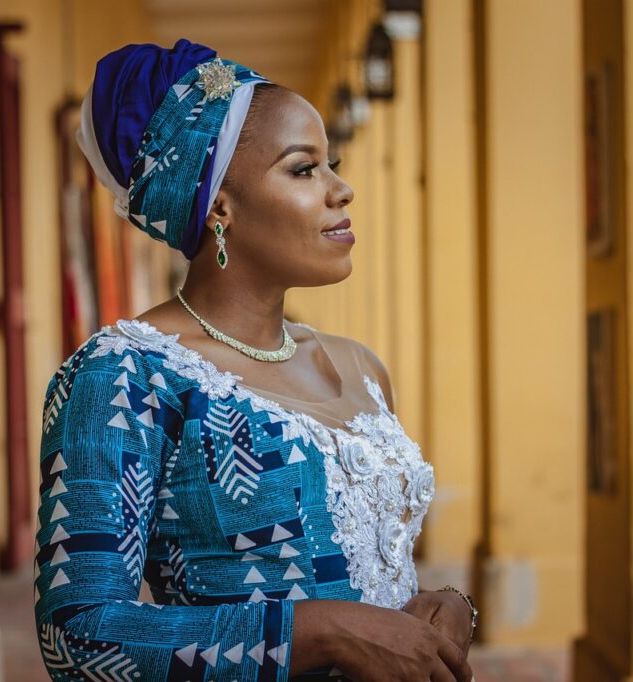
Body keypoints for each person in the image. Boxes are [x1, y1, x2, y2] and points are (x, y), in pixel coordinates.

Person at [34, 39, 478, 682]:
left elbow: (364, 570)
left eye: (333, 164)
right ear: (219, 205)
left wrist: (450, 605)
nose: (341, 190)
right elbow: (78, 637)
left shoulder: (360, 370)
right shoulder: (128, 378)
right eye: (304, 169)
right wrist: (323, 633)